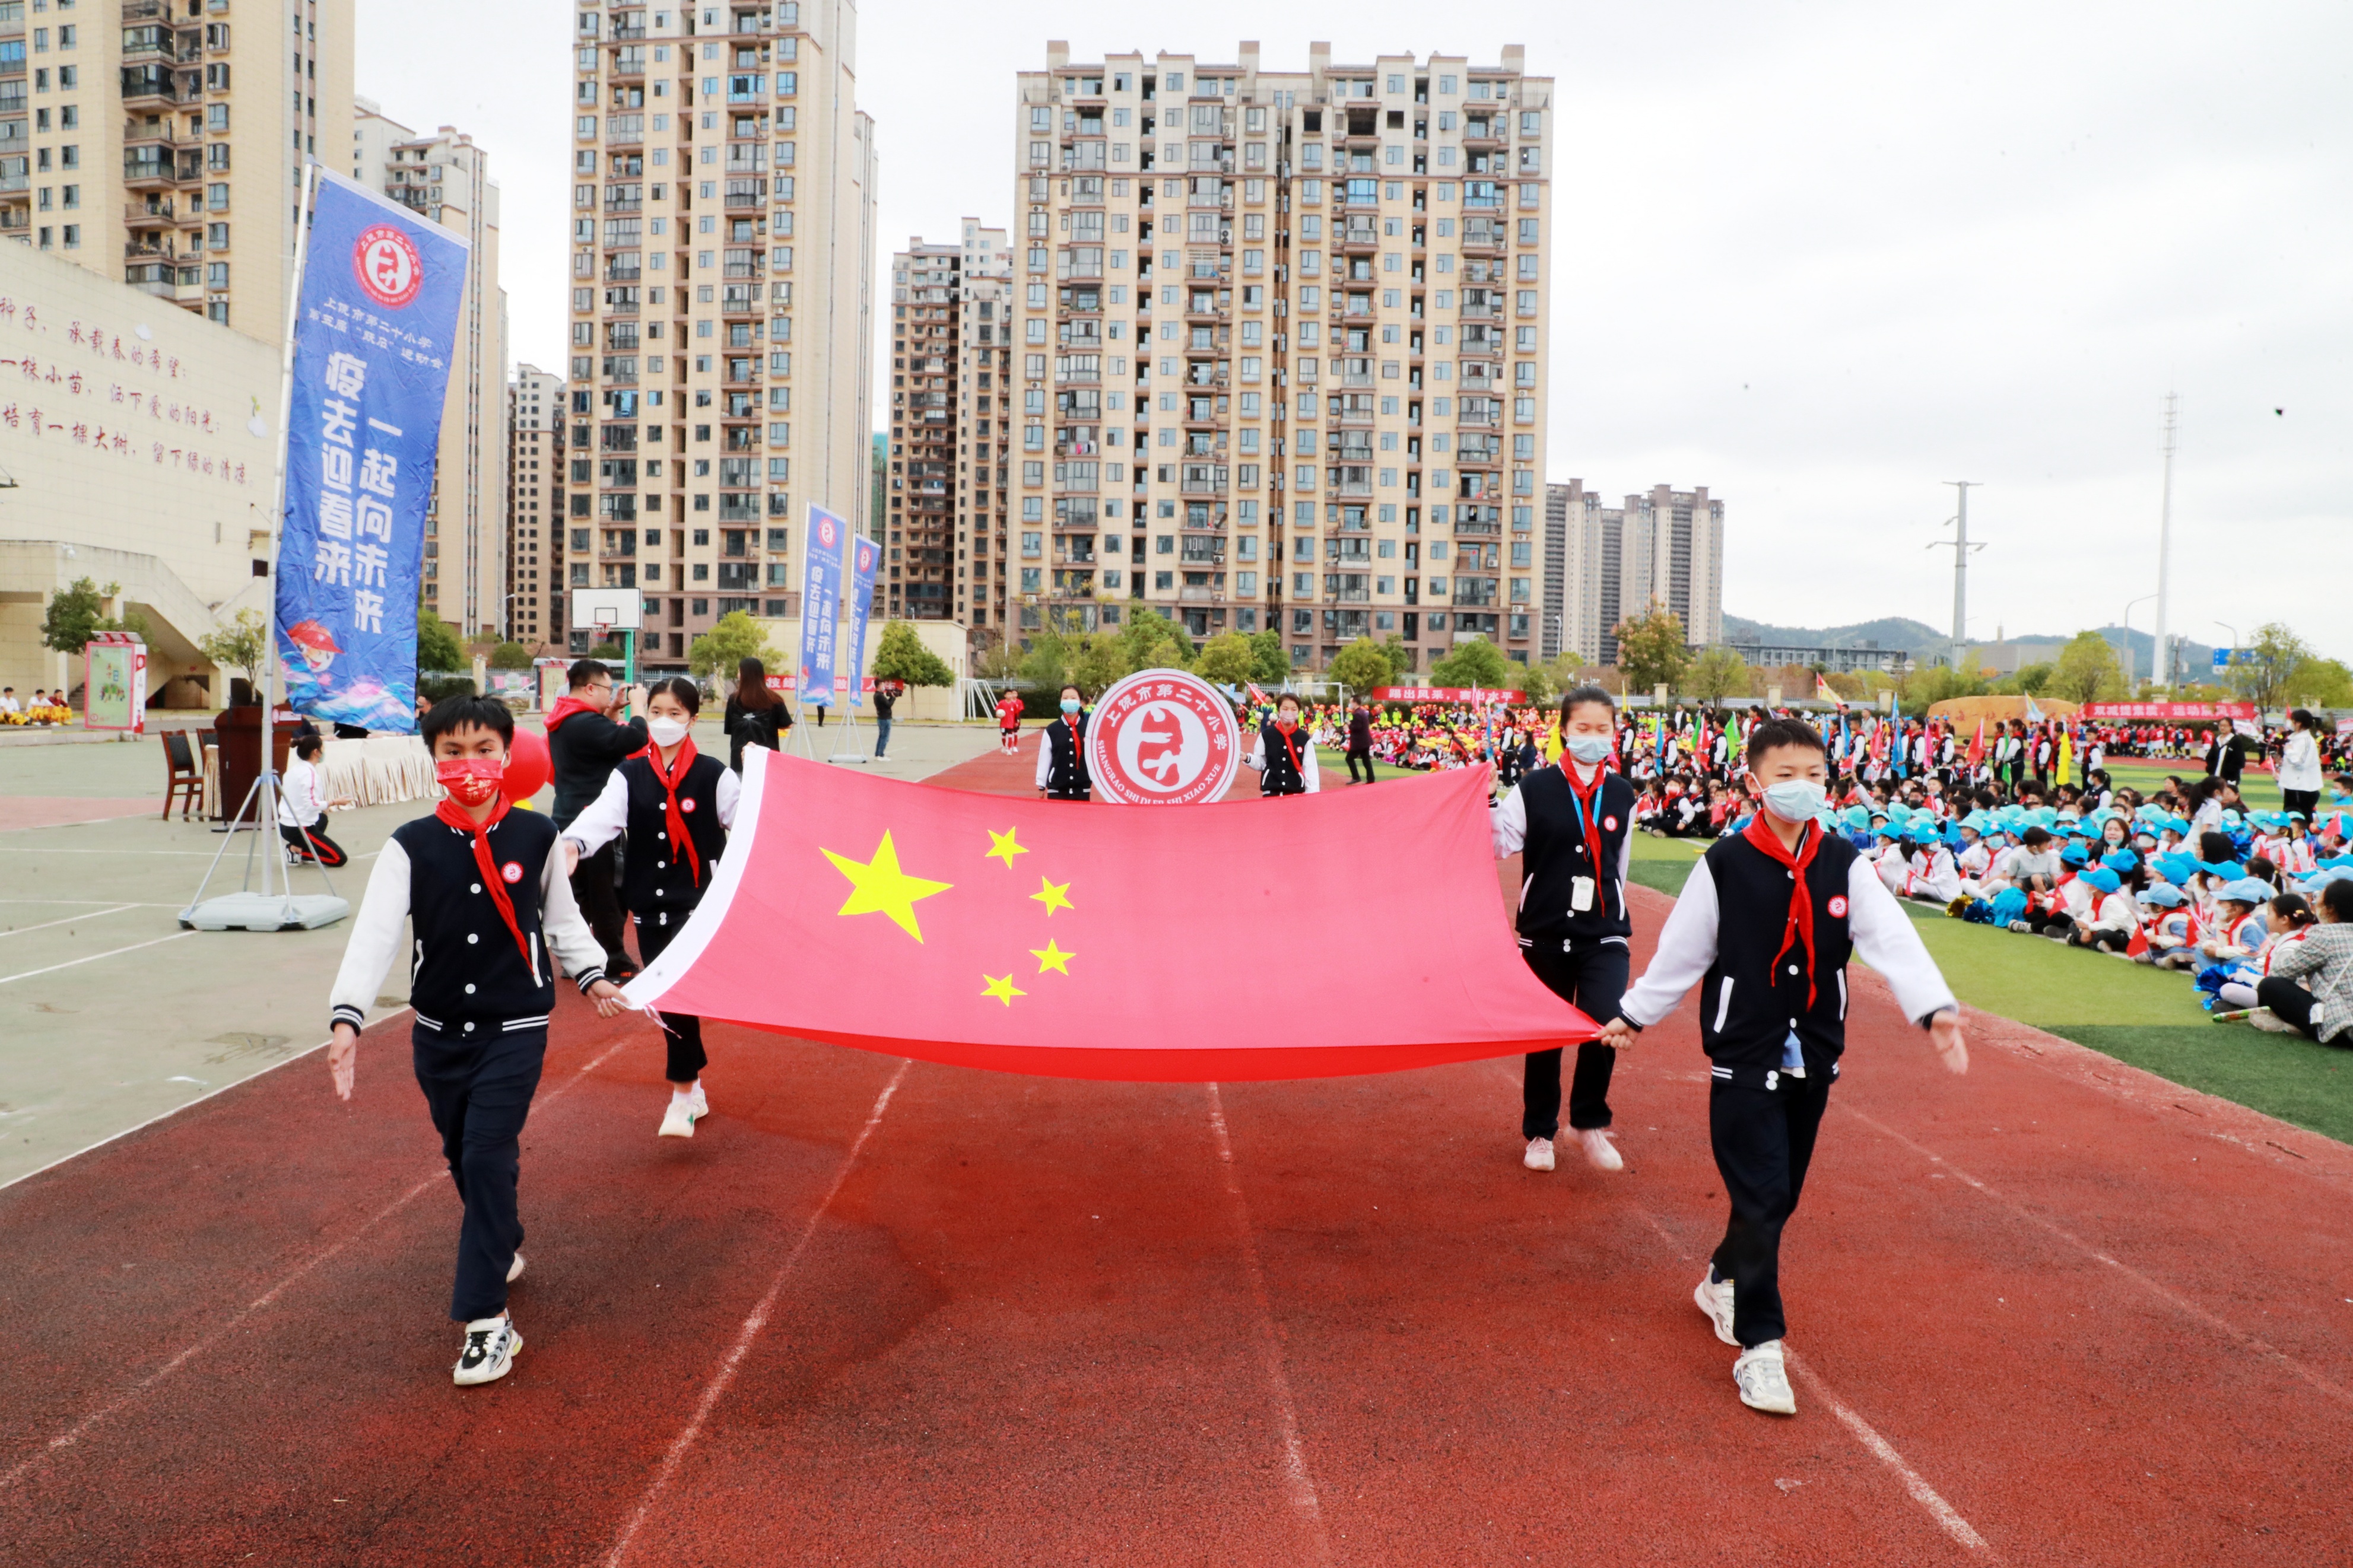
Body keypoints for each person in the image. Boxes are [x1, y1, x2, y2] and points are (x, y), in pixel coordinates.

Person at [1598, 717, 1967, 1417]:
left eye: (1814, 777)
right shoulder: (1724, 863)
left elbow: (1890, 937)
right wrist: (1635, 1014)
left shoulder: (1843, 864)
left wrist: (1932, 1008)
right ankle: (1760, 1348)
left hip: (1813, 1054)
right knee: (1764, 1196)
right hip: (1742, 1052)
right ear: (1753, 783)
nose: (1802, 789)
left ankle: (1720, 1277)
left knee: (1779, 1196)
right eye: (1785, 776)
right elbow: (1683, 951)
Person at [325, 695, 626, 1386]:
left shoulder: (535, 836)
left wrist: (593, 977)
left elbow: (563, 920)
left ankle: (487, 1323)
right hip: (436, 1035)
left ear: (506, 756)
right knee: (461, 1153)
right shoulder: (410, 844)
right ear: (434, 759)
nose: (470, 765)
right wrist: (348, 1019)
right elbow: (374, 934)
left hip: (514, 1025)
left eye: (484, 750)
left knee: (489, 1154)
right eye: (453, 752)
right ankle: (503, 1241)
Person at [563, 678, 737, 1138]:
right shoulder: (628, 773)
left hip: (700, 904)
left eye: (675, 713)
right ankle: (689, 1088)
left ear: (693, 719)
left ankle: (685, 1088)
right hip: (650, 901)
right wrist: (572, 844)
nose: (663, 721)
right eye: (655, 711)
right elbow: (602, 816)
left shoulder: (715, 774)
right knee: (669, 995)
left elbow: (750, 823)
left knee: (680, 993)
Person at [1490, 685, 1636, 1174]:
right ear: (1564, 731)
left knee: (1604, 1020)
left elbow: (1620, 864)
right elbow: (1499, 843)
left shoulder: (1621, 793)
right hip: (1545, 930)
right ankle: (1539, 1132)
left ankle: (1589, 1122)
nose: (1593, 738)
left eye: (1602, 729)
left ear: (1614, 733)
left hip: (1604, 931)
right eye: (1582, 728)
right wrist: (1482, 797)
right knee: (1545, 1034)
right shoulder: (1533, 788)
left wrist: (1611, 906)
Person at [546, 659, 647, 981]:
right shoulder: (584, 723)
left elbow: (601, 742)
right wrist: (640, 708)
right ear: (590, 688)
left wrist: (613, 710)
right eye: (607, 688)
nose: (611, 694)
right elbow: (634, 739)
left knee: (582, 896)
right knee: (608, 893)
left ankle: (578, 960)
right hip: (595, 821)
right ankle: (613, 962)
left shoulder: (566, 718)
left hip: (570, 815)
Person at [2256, 878, 2353, 1042]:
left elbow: (2280, 973)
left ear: (2330, 909)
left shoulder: (2324, 934)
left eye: (2317, 899)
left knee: (2270, 985)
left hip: (2342, 1025)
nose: (2314, 904)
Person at [278, 731, 354, 868]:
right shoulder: (309, 774)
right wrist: (335, 802)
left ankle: (301, 847)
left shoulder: (294, 770)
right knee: (339, 859)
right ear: (316, 752)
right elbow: (311, 805)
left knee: (322, 818)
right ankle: (297, 851)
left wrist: (323, 806)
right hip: (299, 828)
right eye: (323, 749)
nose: (324, 752)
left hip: (286, 824)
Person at [722, 656, 790, 772]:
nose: (738, 674)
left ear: (744, 674)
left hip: (740, 762)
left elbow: (729, 729)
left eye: (739, 671)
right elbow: (787, 724)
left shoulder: (733, 700)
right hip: (769, 760)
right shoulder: (774, 699)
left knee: (742, 789)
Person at [1247, 693, 1320, 796]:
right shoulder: (1267, 735)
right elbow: (1261, 763)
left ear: (1298, 712)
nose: (1289, 712)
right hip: (1271, 793)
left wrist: (1312, 796)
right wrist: (1246, 758)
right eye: (1285, 709)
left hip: (1295, 794)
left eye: (1294, 709)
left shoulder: (1304, 738)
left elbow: (1310, 769)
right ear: (1278, 711)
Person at [1036, 683, 1093, 801]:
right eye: (1065, 698)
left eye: (1073, 698)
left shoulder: (1090, 729)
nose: (1069, 701)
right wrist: (1041, 784)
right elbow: (1045, 758)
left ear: (1081, 702)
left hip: (1082, 789)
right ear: (1060, 701)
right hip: (1057, 789)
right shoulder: (1052, 730)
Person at [2279, 710, 2325, 821]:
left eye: (2292, 720)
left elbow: (2301, 763)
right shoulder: (2295, 738)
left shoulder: (2306, 741)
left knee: (2300, 819)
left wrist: (2289, 752)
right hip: (2293, 786)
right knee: (2289, 817)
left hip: (2302, 788)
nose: (2289, 723)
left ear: (2298, 723)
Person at [1345, 700, 1377, 785]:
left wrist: (1350, 724)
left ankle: (1356, 777)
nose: (1350, 704)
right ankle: (1371, 779)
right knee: (1366, 760)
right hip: (1365, 740)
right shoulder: (1362, 712)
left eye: (1351, 702)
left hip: (1359, 742)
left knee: (1349, 758)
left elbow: (1357, 727)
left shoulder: (1357, 714)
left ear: (1355, 703)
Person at [871, 681, 898, 759]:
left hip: (882, 718)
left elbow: (887, 704)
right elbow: (889, 705)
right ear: (879, 685)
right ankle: (880, 755)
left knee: (881, 737)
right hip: (885, 718)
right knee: (885, 737)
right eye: (882, 684)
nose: (884, 686)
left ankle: (878, 754)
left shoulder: (878, 695)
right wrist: (893, 697)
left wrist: (891, 697)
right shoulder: (879, 696)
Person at [996, 688, 1025, 755]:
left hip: (1010, 723)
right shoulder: (1002, 703)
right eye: (1008, 694)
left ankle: (1009, 749)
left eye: (1010, 694)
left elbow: (1016, 713)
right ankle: (1004, 746)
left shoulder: (1013, 704)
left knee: (1010, 736)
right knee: (1003, 736)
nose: (1010, 696)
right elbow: (997, 711)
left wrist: (1016, 722)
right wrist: (998, 716)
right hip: (1003, 724)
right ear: (1005, 696)